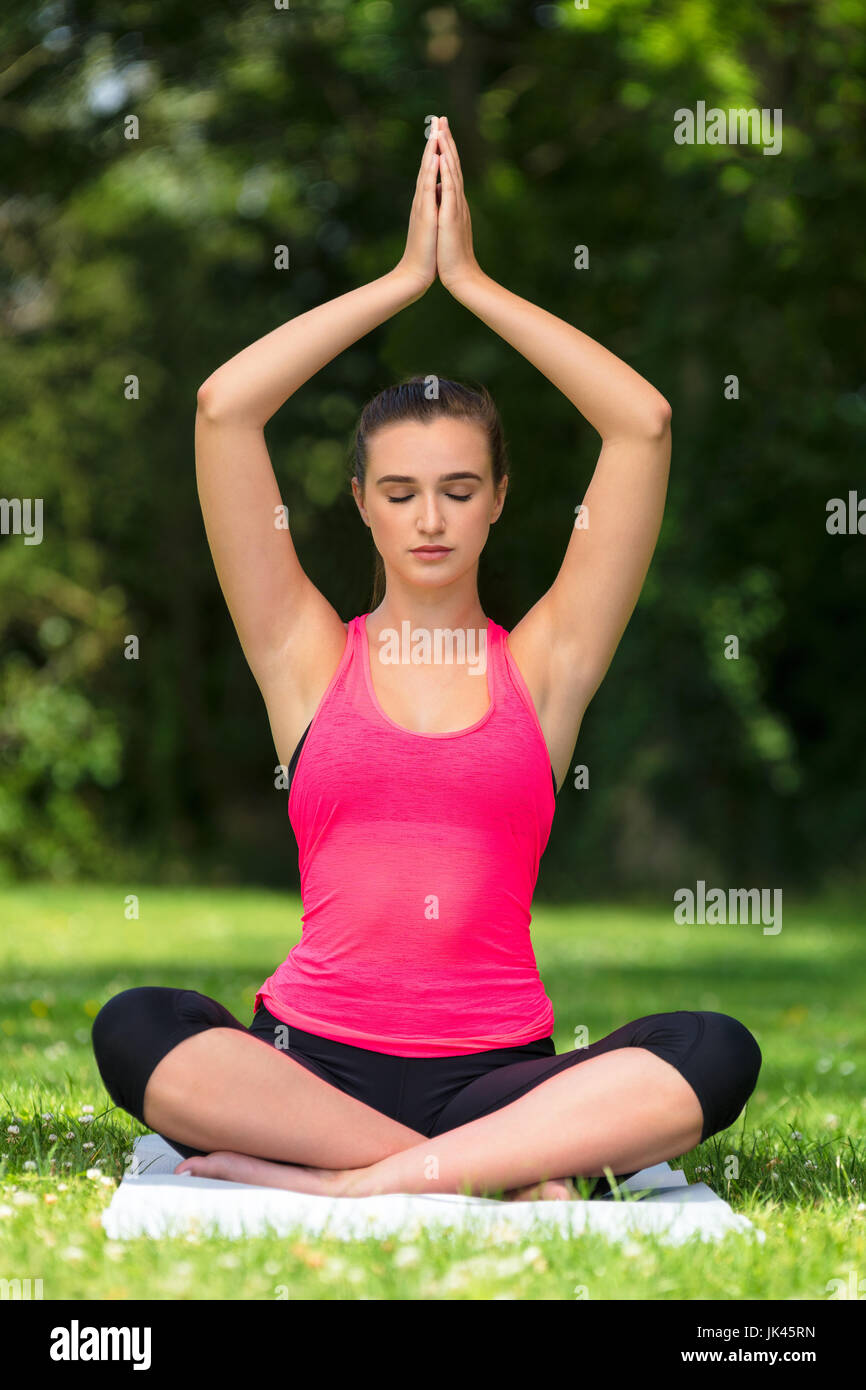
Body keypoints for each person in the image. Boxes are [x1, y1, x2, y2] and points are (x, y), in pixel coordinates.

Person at [92, 115, 761, 1202]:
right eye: (398, 492)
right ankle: (465, 1175)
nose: (429, 518)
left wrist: (474, 284)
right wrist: (405, 280)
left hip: (498, 1080)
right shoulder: (303, 652)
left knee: (713, 1047)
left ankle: (355, 1178)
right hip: (305, 1063)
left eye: (458, 488)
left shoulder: (546, 664)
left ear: (499, 499)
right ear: (359, 503)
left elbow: (639, 424)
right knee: (139, 1025)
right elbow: (224, 408)